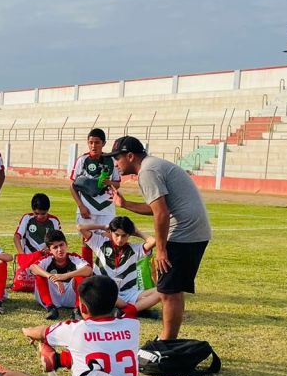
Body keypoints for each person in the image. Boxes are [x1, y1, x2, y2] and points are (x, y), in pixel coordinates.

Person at [109, 136, 212, 340]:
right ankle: (168, 338)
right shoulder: (153, 165)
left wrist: (162, 250)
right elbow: (156, 208)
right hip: (194, 233)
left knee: (169, 291)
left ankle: (167, 341)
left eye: (118, 158)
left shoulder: (147, 171)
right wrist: (125, 204)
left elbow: (161, 213)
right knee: (171, 289)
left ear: (130, 156)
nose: (115, 163)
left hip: (184, 233)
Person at [22, 275, 141, 376]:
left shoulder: (75, 329)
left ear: (83, 307)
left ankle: (57, 360)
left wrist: (27, 331)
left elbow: (42, 333)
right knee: (95, 348)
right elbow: (127, 308)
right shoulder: (132, 325)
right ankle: (59, 359)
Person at [78, 216, 160, 314]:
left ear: (129, 235)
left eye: (124, 235)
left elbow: (154, 241)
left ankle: (126, 310)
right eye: (116, 234)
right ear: (111, 232)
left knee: (162, 292)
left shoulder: (134, 249)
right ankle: (134, 309)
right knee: (95, 294)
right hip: (103, 291)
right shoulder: (100, 243)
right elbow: (80, 227)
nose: (120, 239)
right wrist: (104, 226)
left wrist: (137, 232)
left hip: (128, 293)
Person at [70, 129, 121, 264]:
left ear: (103, 143)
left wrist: (109, 182)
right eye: (91, 142)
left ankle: (105, 269)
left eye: (97, 142)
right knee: (87, 241)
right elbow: (72, 186)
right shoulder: (82, 160)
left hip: (106, 208)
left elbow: (118, 183)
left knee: (110, 239)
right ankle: (88, 271)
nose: (93, 146)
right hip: (87, 208)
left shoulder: (111, 160)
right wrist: (81, 206)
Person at [30, 230, 92, 320]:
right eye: (55, 247)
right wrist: (52, 277)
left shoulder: (74, 258)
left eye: (61, 245)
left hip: (70, 295)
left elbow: (89, 270)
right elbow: (32, 267)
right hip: (52, 295)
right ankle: (50, 307)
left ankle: (77, 309)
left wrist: (65, 276)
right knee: (39, 275)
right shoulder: (47, 259)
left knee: (80, 275)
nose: (59, 250)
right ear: (49, 250)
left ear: (66, 244)